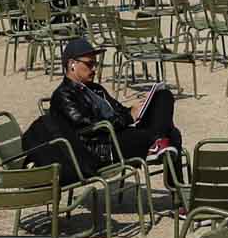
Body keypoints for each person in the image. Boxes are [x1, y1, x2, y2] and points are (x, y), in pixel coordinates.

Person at [41, 36, 178, 169]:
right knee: (170, 134)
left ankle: (157, 144)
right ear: (72, 64)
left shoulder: (96, 89)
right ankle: (157, 143)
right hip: (104, 145)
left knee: (163, 96)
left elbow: (119, 110)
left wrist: (141, 107)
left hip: (120, 131)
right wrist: (129, 116)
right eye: (89, 64)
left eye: (95, 64)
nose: (94, 69)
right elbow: (91, 126)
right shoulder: (64, 95)